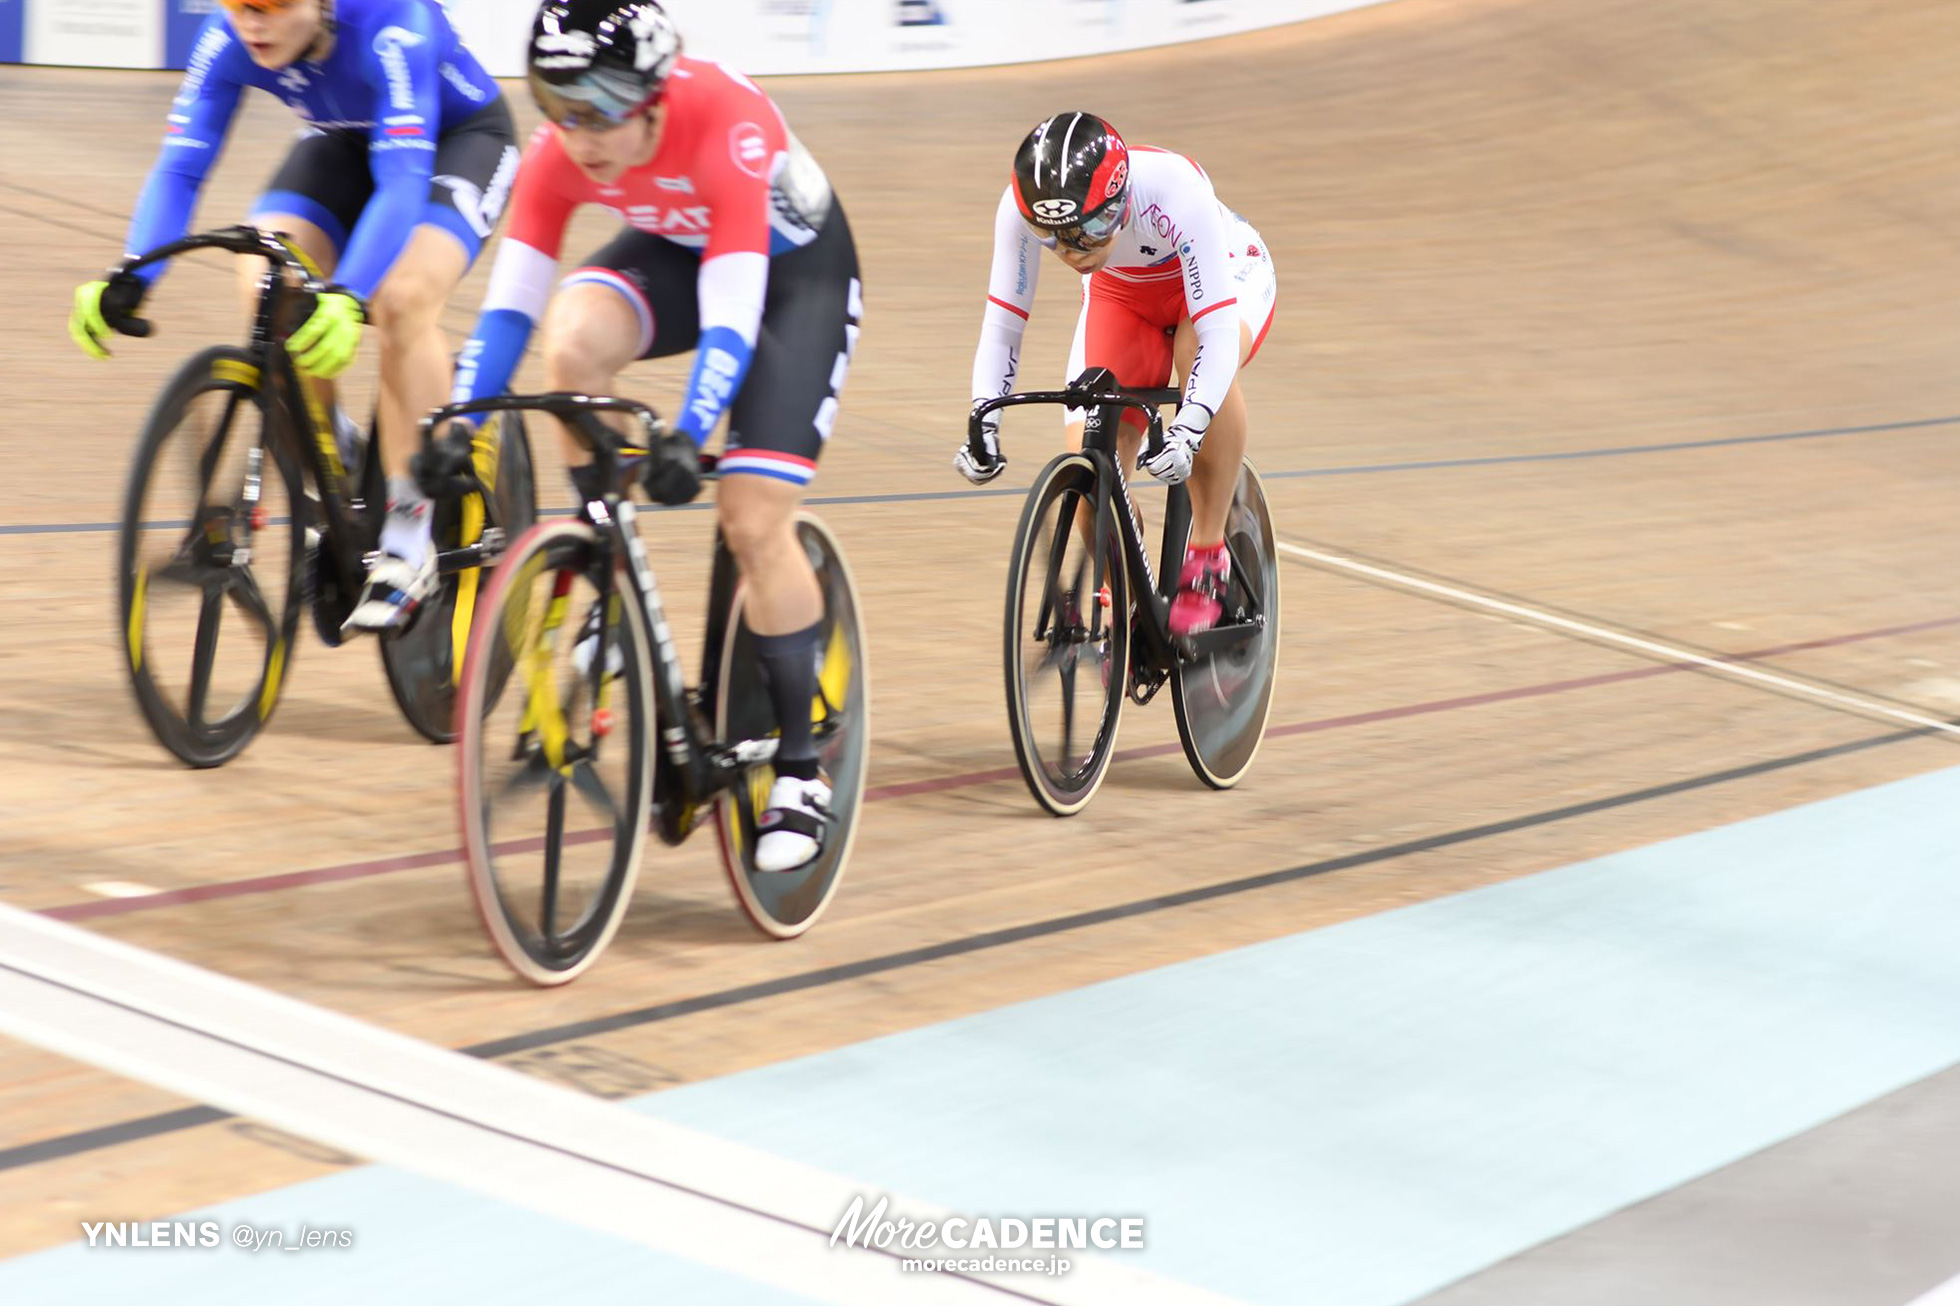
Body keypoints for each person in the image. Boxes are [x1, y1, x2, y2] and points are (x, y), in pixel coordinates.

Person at [435, 0, 863, 872]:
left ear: (655, 96)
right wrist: (460, 423)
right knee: (571, 342)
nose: (574, 133)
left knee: (750, 519)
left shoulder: (726, 126)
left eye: (597, 108)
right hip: (678, 249)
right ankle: (606, 561)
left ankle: (798, 768)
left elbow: (733, 316)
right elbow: (509, 307)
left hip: (791, 282)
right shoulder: (563, 149)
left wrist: (693, 432)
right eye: (556, 106)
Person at [69, 0, 518, 633]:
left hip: (455, 145)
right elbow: (181, 167)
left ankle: (411, 529)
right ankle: (336, 453)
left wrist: (348, 291)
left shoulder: (395, 27)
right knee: (267, 281)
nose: (250, 22)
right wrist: (132, 275)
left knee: (401, 300)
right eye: (236, 4)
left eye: (269, 6)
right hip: (344, 143)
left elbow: (401, 184)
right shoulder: (228, 36)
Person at [959, 111, 1277, 636]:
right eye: (1053, 238)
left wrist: (1189, 425)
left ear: (1120, 202)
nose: (1070, 253)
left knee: (1194, 354)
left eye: (1087, 233)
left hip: (1222, 276)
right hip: (1121, 293)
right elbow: (1003, 325)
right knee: (1090, 466)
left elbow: (1218, 333)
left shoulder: (1174, 189)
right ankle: (1130, 605)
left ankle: (1208, 553)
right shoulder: (1020, 208)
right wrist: (982, 419)